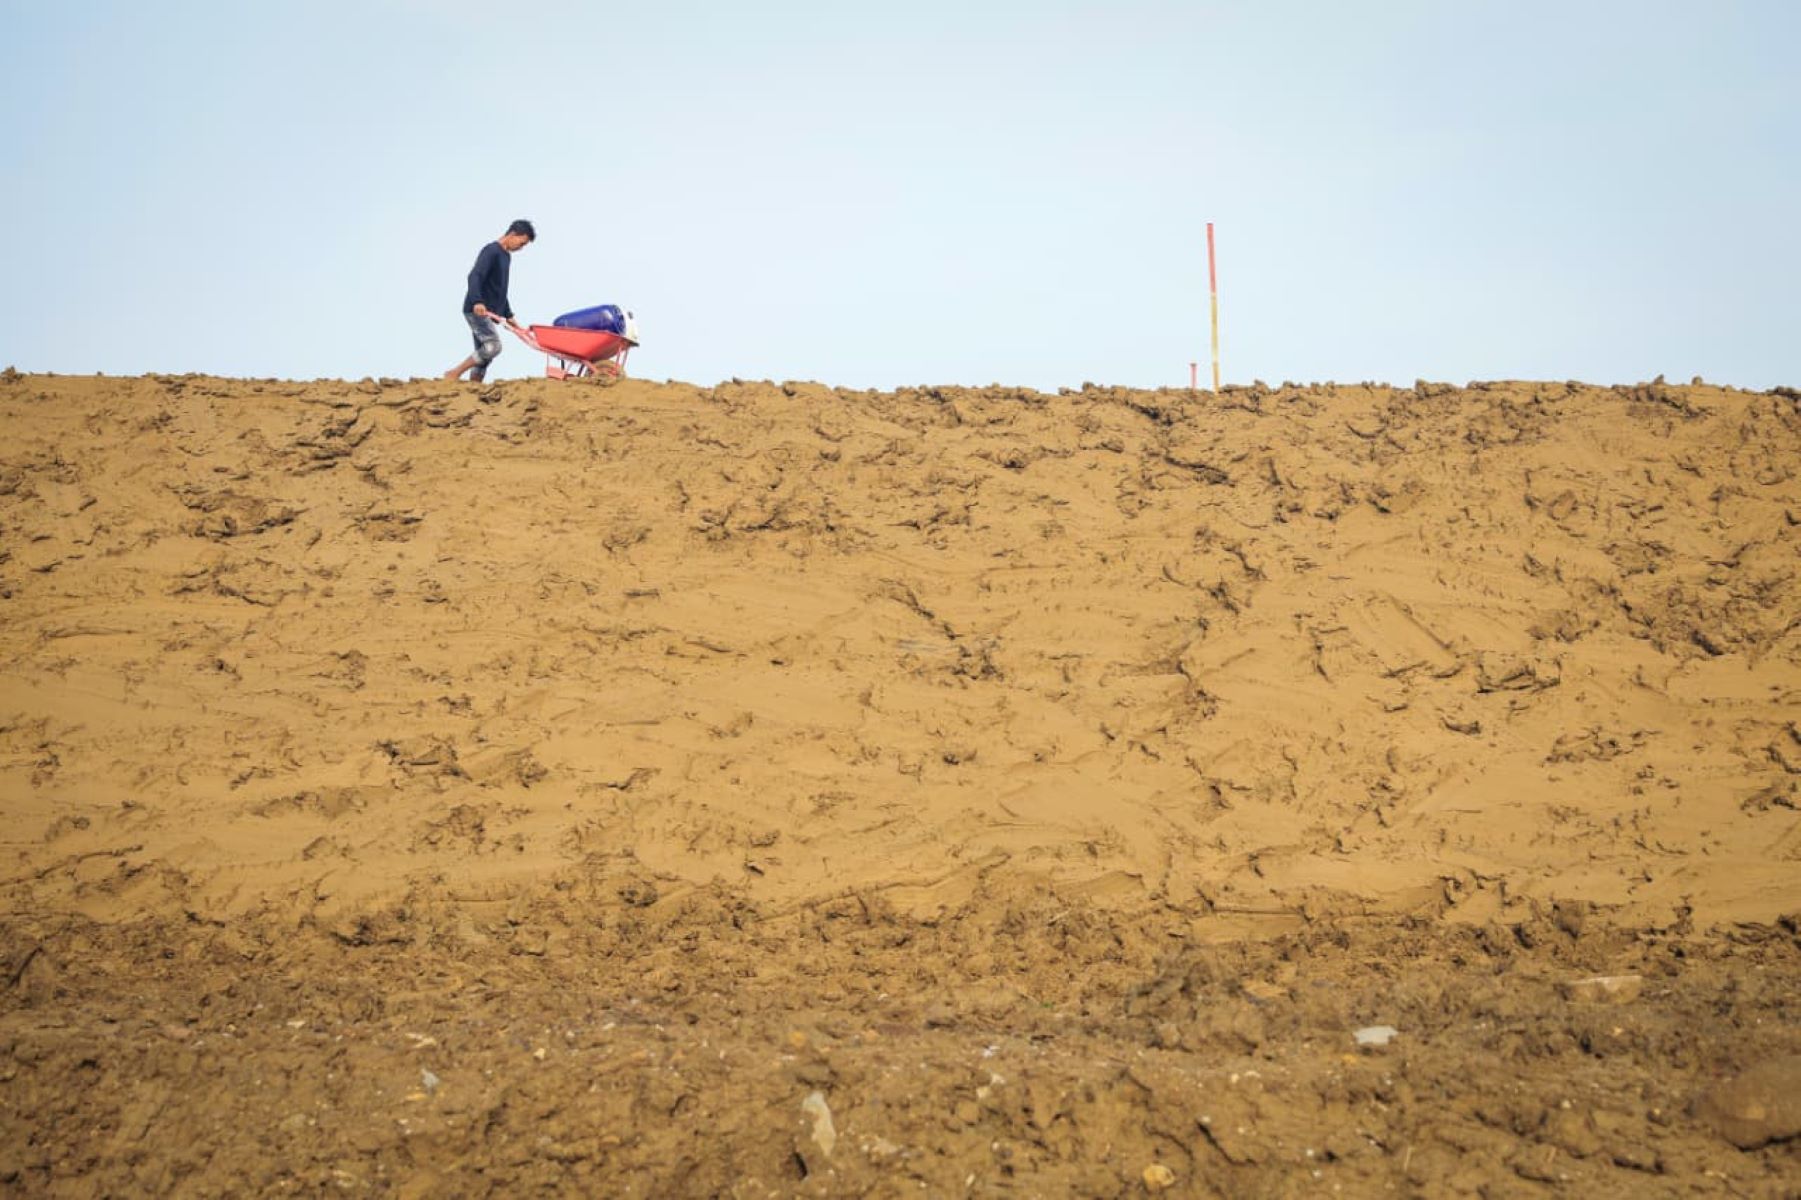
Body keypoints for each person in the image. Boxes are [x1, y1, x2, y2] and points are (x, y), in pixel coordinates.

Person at [444, 220, 535, 381]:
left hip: (490, 312)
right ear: (512, 234)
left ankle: (474, 387)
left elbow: (500, 289)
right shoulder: (491, 251)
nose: (521, 249)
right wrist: (477, 301)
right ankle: (454, 373)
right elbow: (475, 276)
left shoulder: (506, 256)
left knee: (484, 353)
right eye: (521, 244)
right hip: (477, 309)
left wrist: (508, 315)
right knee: (493, 347)